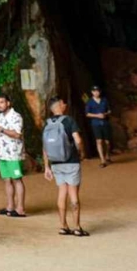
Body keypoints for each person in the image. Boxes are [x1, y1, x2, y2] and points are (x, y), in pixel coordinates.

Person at [42, 96, 88, 236]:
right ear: (59, 105)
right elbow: (78, 140)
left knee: (62, 193)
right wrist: (81, 152)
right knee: (73, 194)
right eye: (63, 103)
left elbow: (45, 147)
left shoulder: (47, 124)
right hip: (71, 162)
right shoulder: (69, 120)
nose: (65, 104)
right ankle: (77, 227)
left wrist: (46, 167)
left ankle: (63, 226)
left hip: (56, 164)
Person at [0, 94, 27, 217]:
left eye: (2, 102)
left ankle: (20, 208)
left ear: (8, 103)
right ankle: (10, 207)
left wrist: (1, 129)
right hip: (2, 153)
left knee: (17, 179)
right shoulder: (0, 117)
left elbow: (17, 134)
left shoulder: (16, 116)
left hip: (14, 153)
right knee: (7, 180)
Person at [85, 85, 112, 167]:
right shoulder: (89, 102)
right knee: (99, 141)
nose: (96, 92)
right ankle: (102, 160)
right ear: (92, 92)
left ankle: (107, 155)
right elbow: (87, 114)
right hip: (96, 124)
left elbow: (109, 110)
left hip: (105, 123)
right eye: (94, 91)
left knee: (107, 142)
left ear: (99, 92)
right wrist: (97, 116)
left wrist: (105, 114)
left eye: (97, 91)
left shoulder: (104, 100)